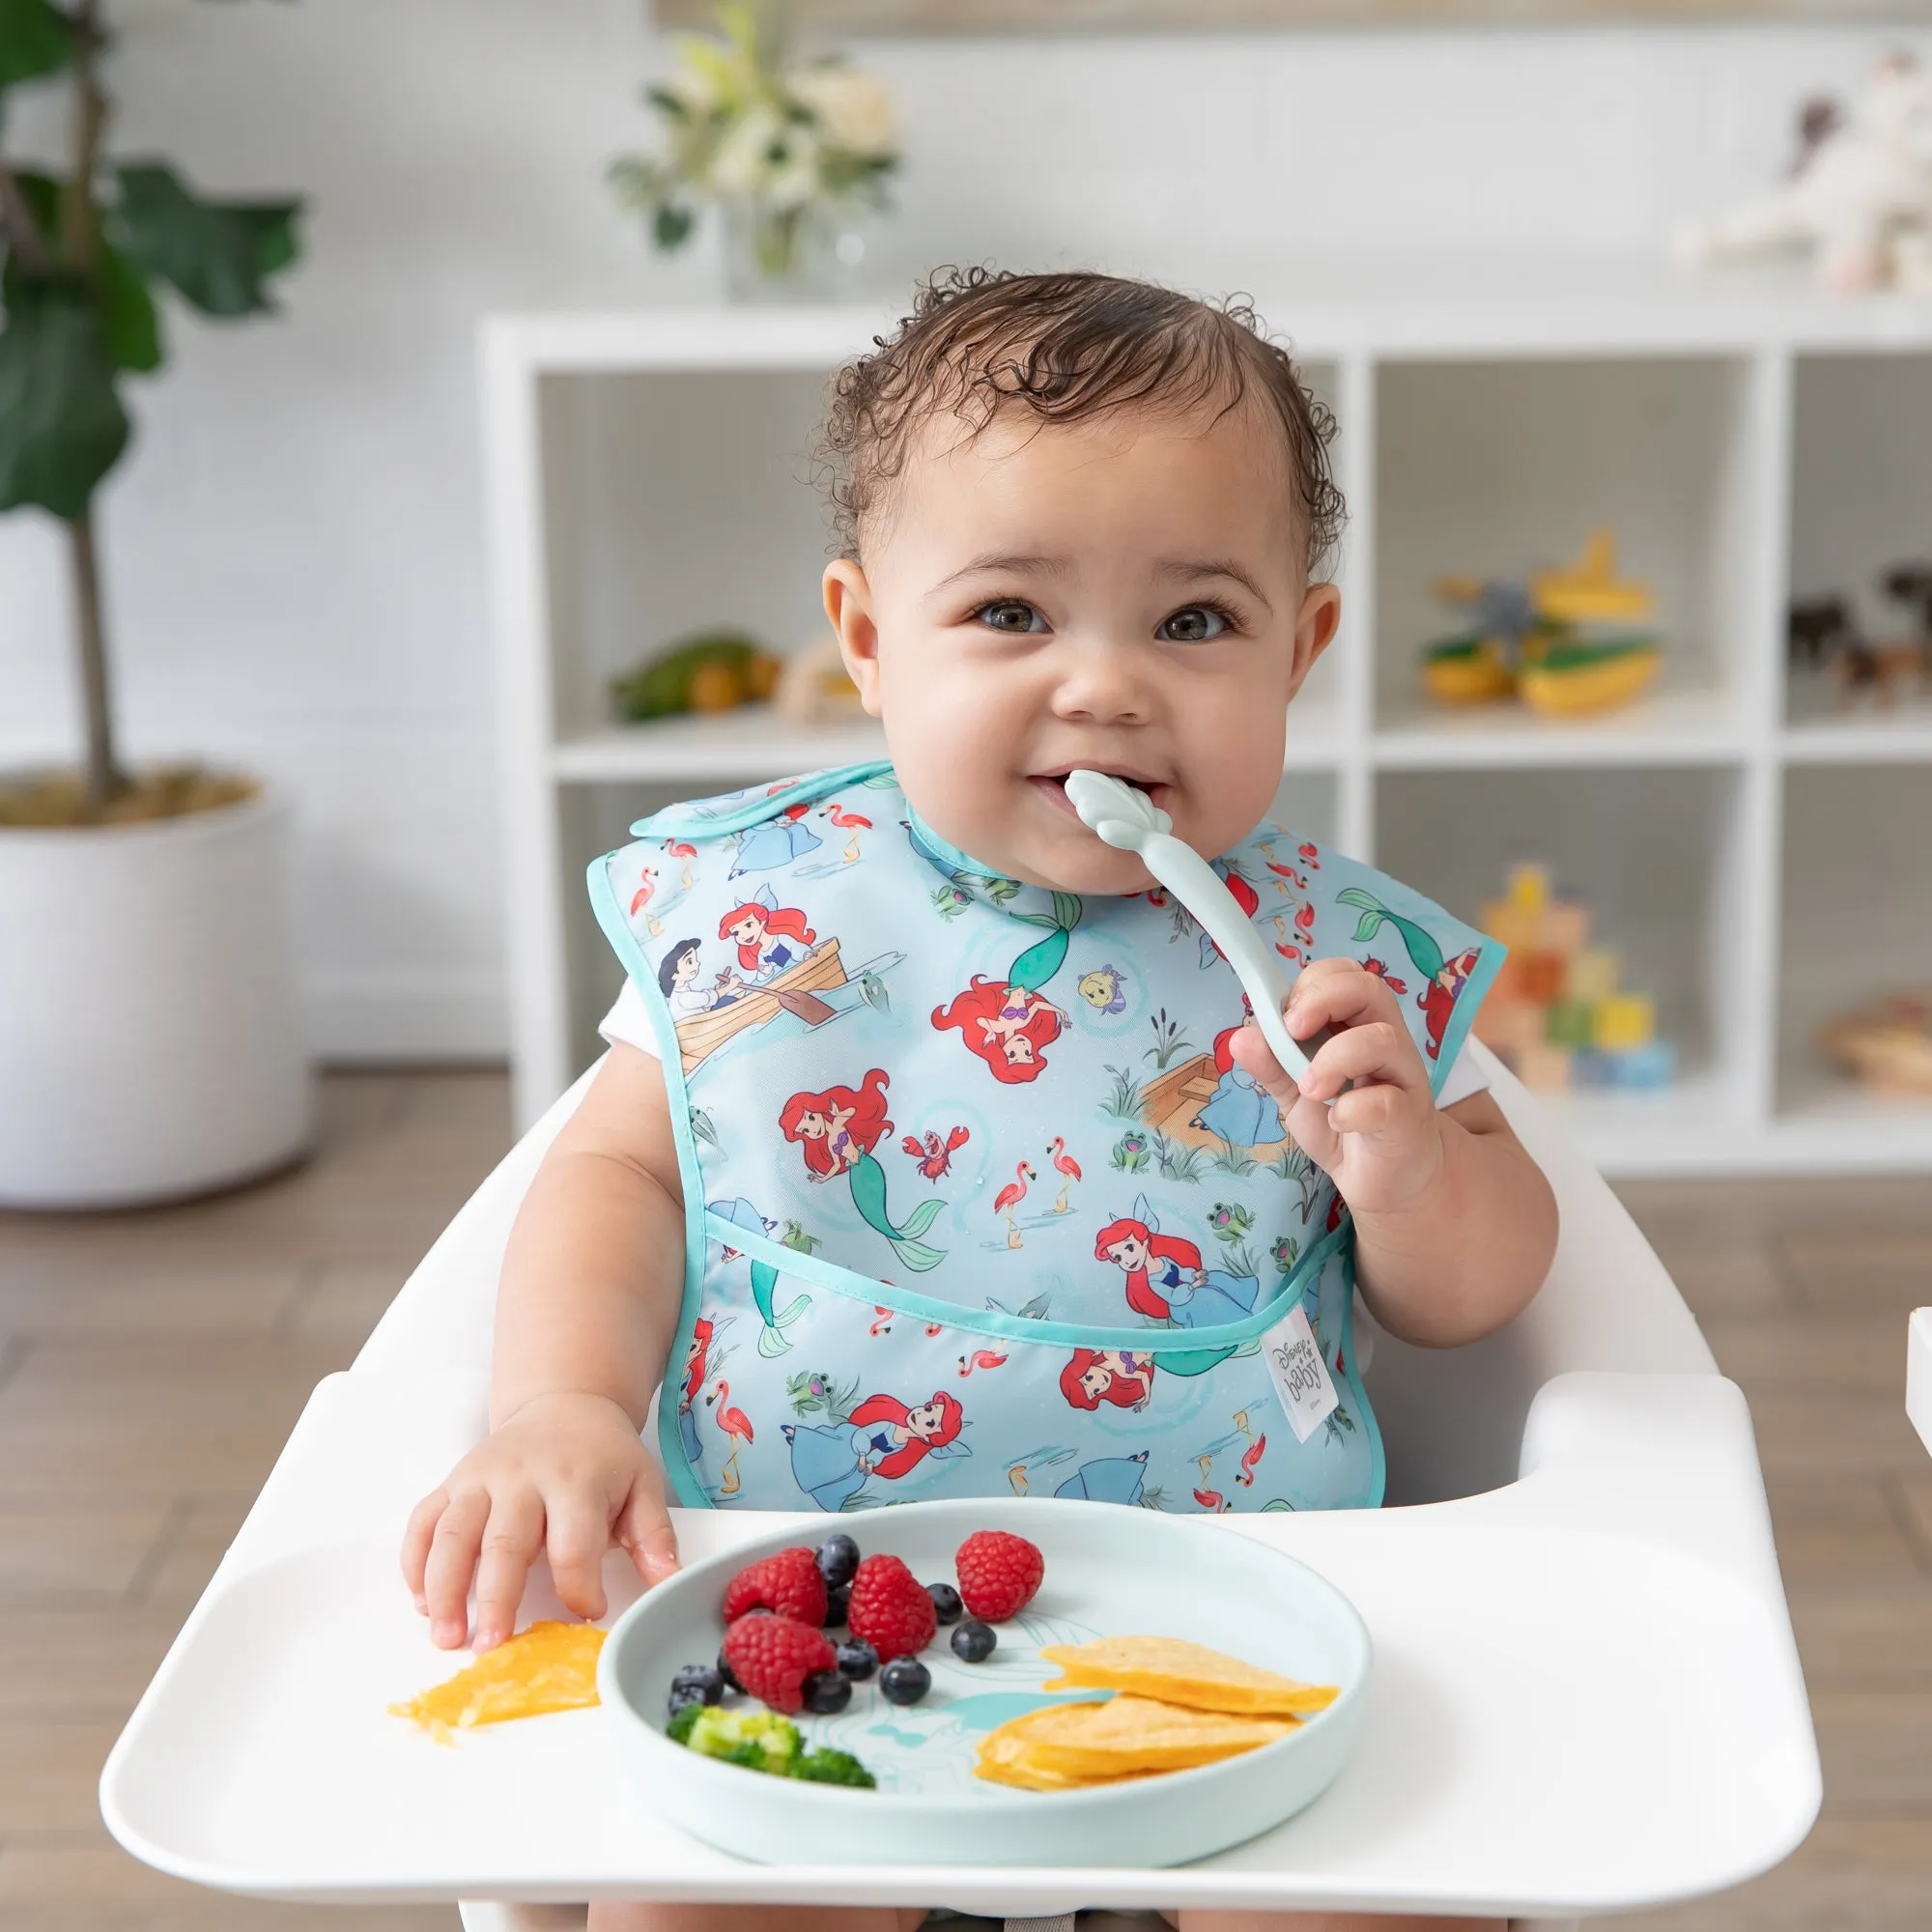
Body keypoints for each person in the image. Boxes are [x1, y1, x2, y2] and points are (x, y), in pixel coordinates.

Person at [402, 269, 1558, 1932]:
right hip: (796, 1593)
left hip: (1244, 1620)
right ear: (870, 639)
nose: (1104, 687)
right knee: (689, 1907)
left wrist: (1411, 1179)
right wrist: (562, 1407)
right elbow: (620, 1184)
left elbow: (1479, 1298)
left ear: (1299, 649)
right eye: (1013, 616)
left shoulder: (1323, 969)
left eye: (1195, 622)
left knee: (1394, 1890)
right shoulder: (767, 915)